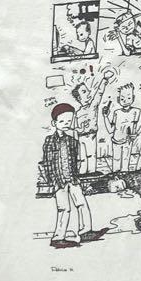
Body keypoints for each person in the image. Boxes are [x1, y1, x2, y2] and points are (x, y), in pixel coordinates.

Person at [39, 103, 93, 248]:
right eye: (62, 121)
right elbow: (47, 162)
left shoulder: (72, 141)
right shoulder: (49, 141)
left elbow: (76, 160)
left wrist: (77, 175)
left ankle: (86, 231)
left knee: (81, 203)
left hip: (72, 179)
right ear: (54, 123)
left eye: (69, 121)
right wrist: (51, 180)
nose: (66, 124)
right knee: (64, 208)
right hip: (59, 180)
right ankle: (58, 237)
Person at [70, 67, 115, 173]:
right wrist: (79, 129)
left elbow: (99, 93)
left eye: (88, 90)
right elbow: (74, 127)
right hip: (81, 137)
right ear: (79, 98)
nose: (89, 92)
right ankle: (82, 173)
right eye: (84, 92)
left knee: (91, 155)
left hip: (91, 136)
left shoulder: (92, 106)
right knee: (82, 158)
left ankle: (91, 172)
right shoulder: (77, 113)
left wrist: (105, 79)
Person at [102, 83, 140, 172]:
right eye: (122, 98)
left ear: (133, 98)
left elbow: (135, 127)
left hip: (127, 141)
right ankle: (115, 177)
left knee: (126, 161)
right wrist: (105, 117)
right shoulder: (117, 112)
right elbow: (110, 130)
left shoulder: (136, 111)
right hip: (116, 140)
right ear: (118, 99)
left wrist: (134, 135)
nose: (125, 100)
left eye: (129, 98)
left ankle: (124, 176)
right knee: (116, 161)